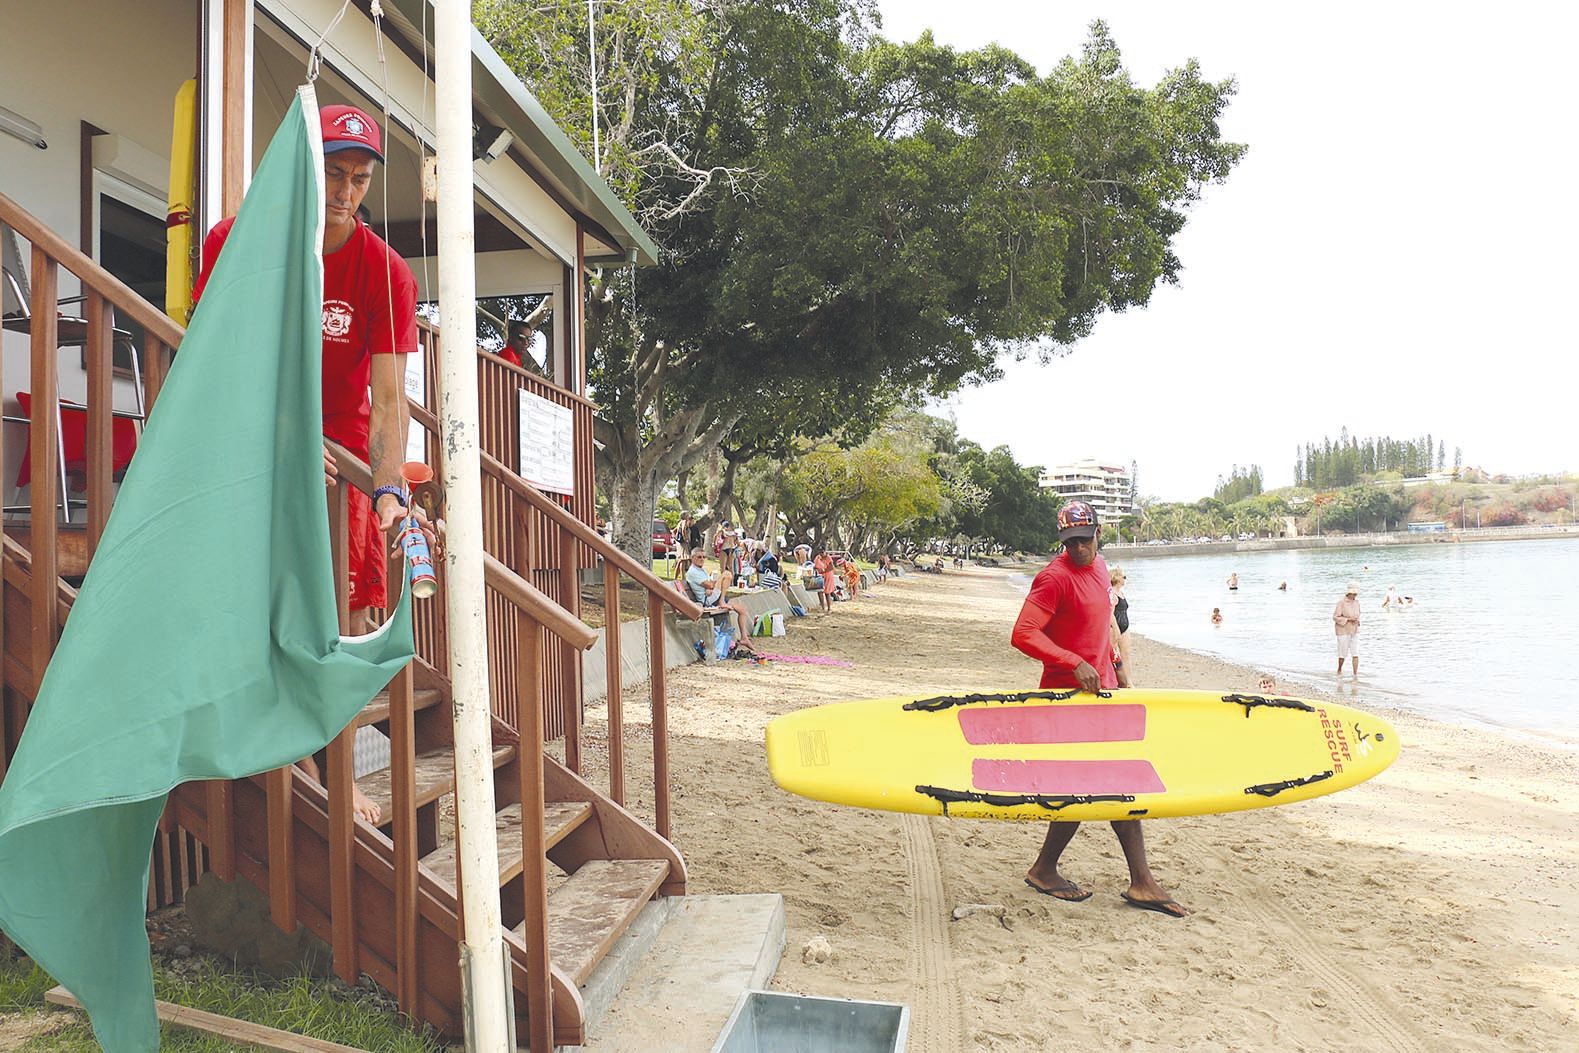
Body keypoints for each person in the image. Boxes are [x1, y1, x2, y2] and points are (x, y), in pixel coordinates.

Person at [193, 103, 435, 827]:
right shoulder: (235, 240)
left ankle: (329, 759)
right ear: (304, 167)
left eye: (360, 178)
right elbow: (219, 363)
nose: (345, 192)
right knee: (263, 599)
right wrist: (283, 440)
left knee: (344, 606)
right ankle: (290, 752)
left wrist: (389, 489)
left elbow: (389, 401)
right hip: (255, 440)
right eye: (333, 172)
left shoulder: (386, 272)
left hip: (343, 453)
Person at [1010, 501, 1186, 917]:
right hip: (1066, 702)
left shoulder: (1102, 567)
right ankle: (1133, 879)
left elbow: (1101, 628)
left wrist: (1118, 668)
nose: (1078, 550)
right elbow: (1022, 634)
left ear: (1098, 534)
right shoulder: (1053, 578)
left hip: (1102, 694)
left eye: (1085, 541)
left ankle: (1052, 869)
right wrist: (1072, 663)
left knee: (1098, 783)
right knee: (1103, 781)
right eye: (1070, 543)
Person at [682, 548, 758, 654]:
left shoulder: (701, 570)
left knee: (742, 609)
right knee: (727, 574)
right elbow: (710, 584)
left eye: (704, 557)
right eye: (699, 557)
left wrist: (710, 586)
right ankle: (722, 601)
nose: (702, 559)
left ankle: (744, 638)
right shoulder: (692, 572)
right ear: (692, 558)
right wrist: (711, 585)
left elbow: (709, 585)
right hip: (708, 601)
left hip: (713, 596)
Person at [1334, 582, 1362, 676]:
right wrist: (1349, 619)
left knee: (1356, 652)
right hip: (1343, 631)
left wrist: (1357, 621)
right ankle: (1339, 669)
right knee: (1342, 653)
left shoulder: (1357, 603)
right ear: (1348, 593)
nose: (1355, 595)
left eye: (1356, 594)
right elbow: (1335, 617)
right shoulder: (1341, 603)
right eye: (1353, 593)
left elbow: (1358, 615)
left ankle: (1355, 674)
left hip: (1355, 630)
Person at [1109, 564, 1131, 675]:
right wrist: (1116, 628)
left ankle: (1129, 681)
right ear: (1117, 578)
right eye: (1124, 577)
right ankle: (1118, 679)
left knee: (1126, 654)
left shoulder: (1121, 593)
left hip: (1125, 625)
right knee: (1114, 656)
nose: (1125, 579)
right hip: (1114, 627)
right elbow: (1110, 613)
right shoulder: (1112, 594)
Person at [812, 548, 837, 613]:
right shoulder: (817, 558)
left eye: (822, 552)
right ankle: (823, 607)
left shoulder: (828, 557)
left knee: (827, 592)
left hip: (828, 575)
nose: (822, 554)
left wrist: (824, 571)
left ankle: (829, 608)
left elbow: (831, 567)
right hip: (820, 576)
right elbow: (815, 565)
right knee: (820, 591)